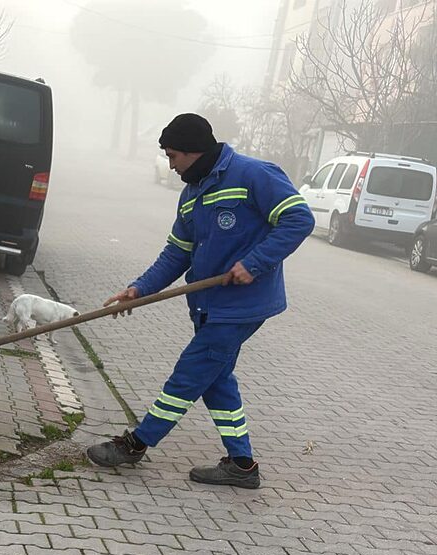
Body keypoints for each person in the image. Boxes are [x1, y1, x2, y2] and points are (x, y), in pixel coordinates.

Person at [86, 114, 314, 488]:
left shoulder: (253, 175)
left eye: (174, 156)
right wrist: (140, 288)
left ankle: (136, 444)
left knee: (189, 375)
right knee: (216, 379)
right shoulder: (192, 194)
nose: (171, 165)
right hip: (207, 303)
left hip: (242, 304)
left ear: (195, 151)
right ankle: (241, 465)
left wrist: (254, 264)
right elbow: (177, 253)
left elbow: (298, 218)